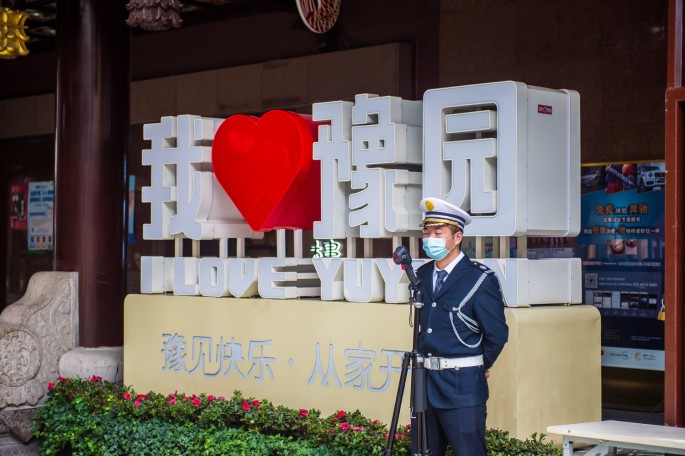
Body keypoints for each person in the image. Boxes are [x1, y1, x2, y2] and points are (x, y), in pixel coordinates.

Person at [415, 197, 509, 455]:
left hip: (463, 388)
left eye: (438, 232)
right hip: (426, 385)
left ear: (457, 238)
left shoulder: (479, 279)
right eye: (426, 232)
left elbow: (497, 334)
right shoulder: (422, 275)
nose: (429, 238)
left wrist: (480, 364)